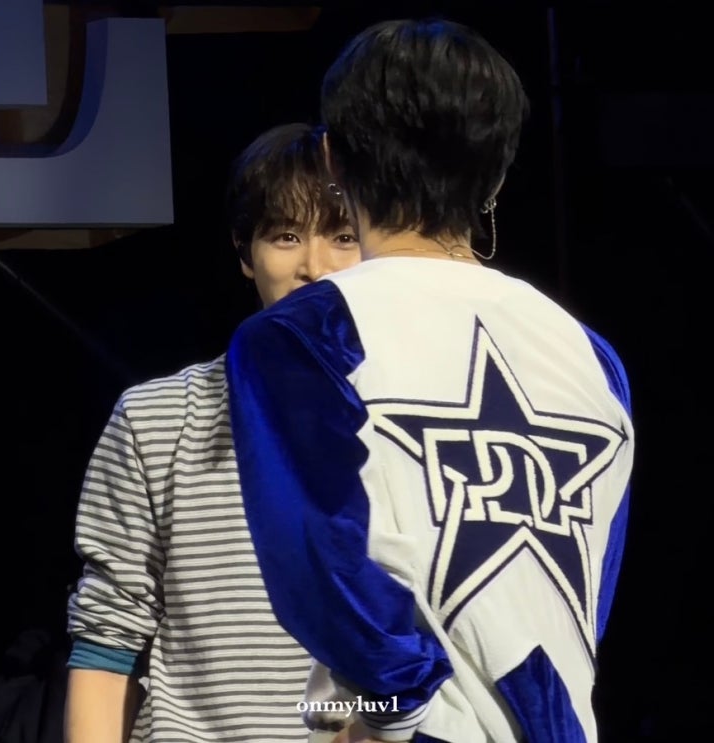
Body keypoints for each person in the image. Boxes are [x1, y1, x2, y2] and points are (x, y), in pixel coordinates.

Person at [226, 18, 634, 743]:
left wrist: (397, 713)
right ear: (497, 175)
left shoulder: (303, 334)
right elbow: (584, 591)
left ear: (332, 159)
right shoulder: (592, 357)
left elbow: (320, 560)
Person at [63, 122, 361, 743]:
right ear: (245, 254)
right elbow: (108, 642)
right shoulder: (157, 417)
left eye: (343, 237)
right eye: (286, 236)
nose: (315, 267)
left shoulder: (423, 421)